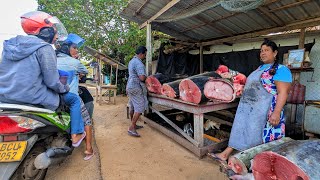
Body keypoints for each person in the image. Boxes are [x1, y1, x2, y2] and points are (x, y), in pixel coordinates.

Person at [0, 11, 86, 147]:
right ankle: (76, 134)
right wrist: (65, 87)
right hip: (32, 97)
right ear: (45, 31)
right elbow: (52, 81)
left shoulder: (10, 47)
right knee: (74, 99)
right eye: (54, 31)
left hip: (5, 98)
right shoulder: (44, 48)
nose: (56, 35)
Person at [209, 39, 292, 161]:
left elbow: (283, 92)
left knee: (257, 138)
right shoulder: (259, 69)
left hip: (263, 110)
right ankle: (226, 154)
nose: (263, 53)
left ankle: (253, 164)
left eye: (266, 50)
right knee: (239, 130)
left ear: (275, 53)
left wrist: (276, 112)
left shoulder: (281, 69)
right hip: (246, 109)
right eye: (261, 51)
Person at [56, 33, 94, 160]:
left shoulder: (52, 60)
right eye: (74, 47)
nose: (76, 50)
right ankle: (88, 149)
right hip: (71, 95)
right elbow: (85, 71)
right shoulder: (74, 62)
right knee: (87, 120)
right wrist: (76, 61)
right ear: (68, 48)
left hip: (54, 98)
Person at [126, 46, 148, 137]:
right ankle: (131, 128)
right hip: (136, 87)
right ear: (142, 53)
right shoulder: (139, 63)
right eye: (145, 54)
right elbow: (142, 77)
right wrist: (148, 78)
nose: (145, 56)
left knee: (132, 106)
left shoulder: (131, 61)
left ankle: (134, 124)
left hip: (130, 86)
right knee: (140, 107)